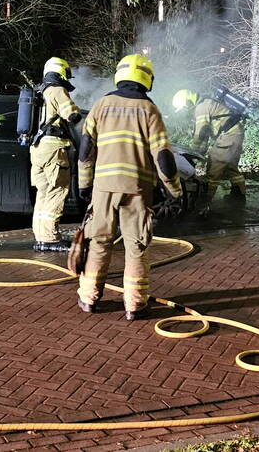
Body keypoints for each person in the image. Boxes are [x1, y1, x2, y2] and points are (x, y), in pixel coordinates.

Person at [76, 53, 182, 320]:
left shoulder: (101, 105)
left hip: (104, 188)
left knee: (99, 242)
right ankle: (134, 304)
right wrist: (175, 191)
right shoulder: (150, 110)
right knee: (137, 246)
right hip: (137, 188)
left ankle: (88, 299)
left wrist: (84, 183)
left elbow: (86, 150)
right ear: (147, 79)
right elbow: (163, 157)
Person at [29, 57, 82, 252]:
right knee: (57, 192)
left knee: (43, 195)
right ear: (61, 72)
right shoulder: (58, 90)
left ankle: (41, 237)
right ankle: (50, 239)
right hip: (54, 150)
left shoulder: (40, 91)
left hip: (37, 149)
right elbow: (72, 114)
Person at [172, 88, 246, 200]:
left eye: (185, 107)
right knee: (229, 165)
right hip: (235, 132)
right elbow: (205, 135)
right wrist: (200, 153)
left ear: (188, 101)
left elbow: (201, 133)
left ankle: (205, 200)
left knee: (215, 163)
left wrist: (193, 153)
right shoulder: (204, 103)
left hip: (230, 134)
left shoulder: (201, 108)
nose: (186, 110)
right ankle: (239, 194)